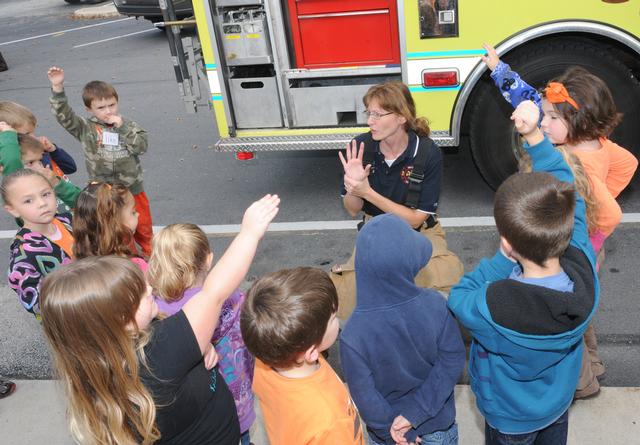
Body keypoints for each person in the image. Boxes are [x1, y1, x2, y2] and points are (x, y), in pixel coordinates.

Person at [40, 194, 279, 445]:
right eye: (140, 294)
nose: (151, 289)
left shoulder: (98, 366)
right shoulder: (162, 354)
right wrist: (249, 233)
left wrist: (200, 346)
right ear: (122, 320)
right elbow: (215, 293)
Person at [481, 44, 638, 398]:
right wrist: (499, 70)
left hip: (569, 250)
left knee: (564, 317)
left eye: (552, 117)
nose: (543, 121)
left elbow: (611, 214)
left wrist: (588, 234)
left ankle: (583, 384)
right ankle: (594, 362)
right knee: (582, 310)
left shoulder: (572, 160)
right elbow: (627, 163)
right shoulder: (594, 141)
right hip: (582, 249)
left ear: (578, 121)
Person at [447, 101, 599, 445]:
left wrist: (502, 260)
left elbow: (459, 297)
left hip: (509, 417)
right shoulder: (583, 270)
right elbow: (564, 183)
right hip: (557, 403)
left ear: (508, 242)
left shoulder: (494, 305)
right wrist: (534, 135)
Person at [331, 81, 463, 320]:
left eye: (378, 114)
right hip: (375, 230)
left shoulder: (426, 152)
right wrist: (353, 187)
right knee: (347, 301)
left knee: (443, 285)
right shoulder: (361, 146)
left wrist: (367, 191)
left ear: (402, 117)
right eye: (368, 113)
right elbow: (353, 210)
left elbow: (415, 220)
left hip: (421, 233)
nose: (370, 121)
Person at [340, 213, 465, 445]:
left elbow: (365, 396)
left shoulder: (352, 334)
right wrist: (416, 412)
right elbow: (452, 360)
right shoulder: (435, 305)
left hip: (389, 433)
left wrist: (392, 432)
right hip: (436, 423)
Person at [148, 223, 256, 445]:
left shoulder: (157, 310)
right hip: (239, 397)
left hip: (198, 411)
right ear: (208, 259)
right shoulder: (231, 299)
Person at [240, 267, 365, 445]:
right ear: (311, 352)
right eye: (333, 318)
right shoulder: (331, 423)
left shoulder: (265, 362)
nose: (337, 322)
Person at [48, 66, 153, 256]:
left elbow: (141, 147)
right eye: (101, 107)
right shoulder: (85, 128)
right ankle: (128, 260)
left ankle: (151, 256)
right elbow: (64, 116)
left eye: (112, 105)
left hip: (132, 189)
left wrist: (123, 128)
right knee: (117, 231)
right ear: (89, 109)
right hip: (103, 192)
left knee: (143, 227)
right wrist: (58, 88)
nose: (108, 111)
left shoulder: (128, 124)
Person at [3, 169, 74, 319]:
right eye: (28, 200)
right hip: (71, 323)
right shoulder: (23, 253)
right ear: (13, 210)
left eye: (46, 194)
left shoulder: (67, 221)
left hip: (99, 307)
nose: (42, 203)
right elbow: (33, 300)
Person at [0, 122, 81, 210]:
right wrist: (8, 135)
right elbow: (12, 161)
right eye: (30, 163)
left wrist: (57, 184)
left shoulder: (48, 177)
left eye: (39, 161)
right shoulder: (19, 192)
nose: (40, 167)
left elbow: (81, 204)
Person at [72, 181, 147, 272]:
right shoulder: (135, 267)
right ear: (115, 224)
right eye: (133, 212)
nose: (138, 214)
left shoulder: (75, 267)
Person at [0, 101, 78, 178]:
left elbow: (70, 168)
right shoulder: (19, 162)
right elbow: (12, 165)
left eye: (33, 132)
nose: (33, 137)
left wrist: (53, 150)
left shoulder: (37, 149)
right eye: (27, 134)